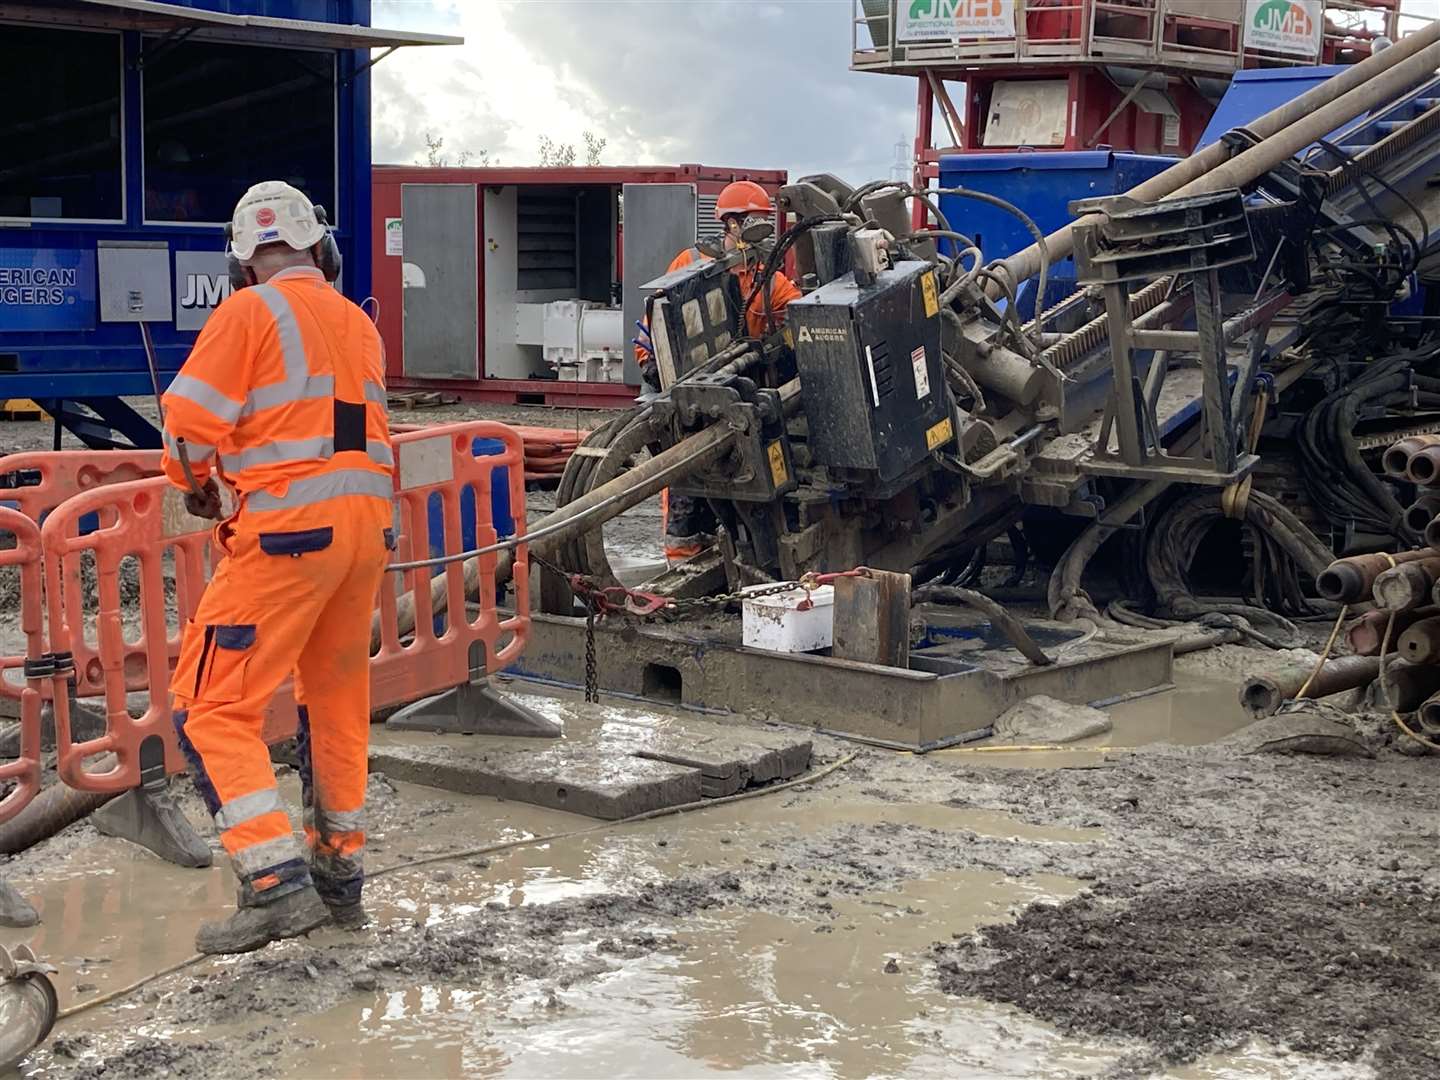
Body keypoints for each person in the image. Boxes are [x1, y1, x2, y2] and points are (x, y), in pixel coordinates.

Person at [160, 180, 395, 954]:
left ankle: (273, 883)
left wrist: (196, 488)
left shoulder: (248, 311)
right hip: (363, 533)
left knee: (210, 708)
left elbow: (191, 426)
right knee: (333, 699)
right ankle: (340, 878)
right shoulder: (355, 324)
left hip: (289, 536)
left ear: (241, 263)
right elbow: (338, 428)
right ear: (319, 248)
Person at [636, 181, 802, 560]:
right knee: (684, 475)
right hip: (685, 392)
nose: (761, 230)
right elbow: (654, 323)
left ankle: (732, 549)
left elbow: (798, 311)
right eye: (752, 221)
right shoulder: (690, 266)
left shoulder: (767, 277)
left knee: (739, 473)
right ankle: (683, 556)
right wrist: (653, 370)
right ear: (730, 224)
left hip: (736, 393)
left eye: (764, 222)